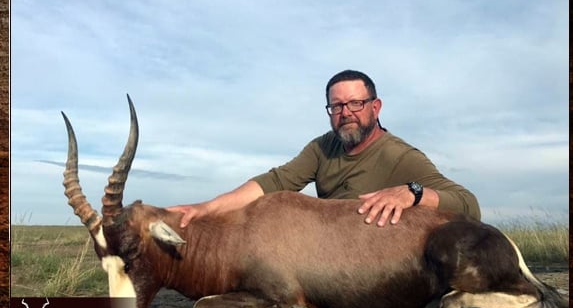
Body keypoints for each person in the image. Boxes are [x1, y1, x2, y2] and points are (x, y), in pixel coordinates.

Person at [170, 70, 481, 228]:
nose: (346, 113)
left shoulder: (400, 157)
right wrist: (205, 209)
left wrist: (413, 192)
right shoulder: (322, 148)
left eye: (356, 104)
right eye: (336, 106)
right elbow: (273, 183)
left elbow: (469, 204)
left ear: (376, 107)